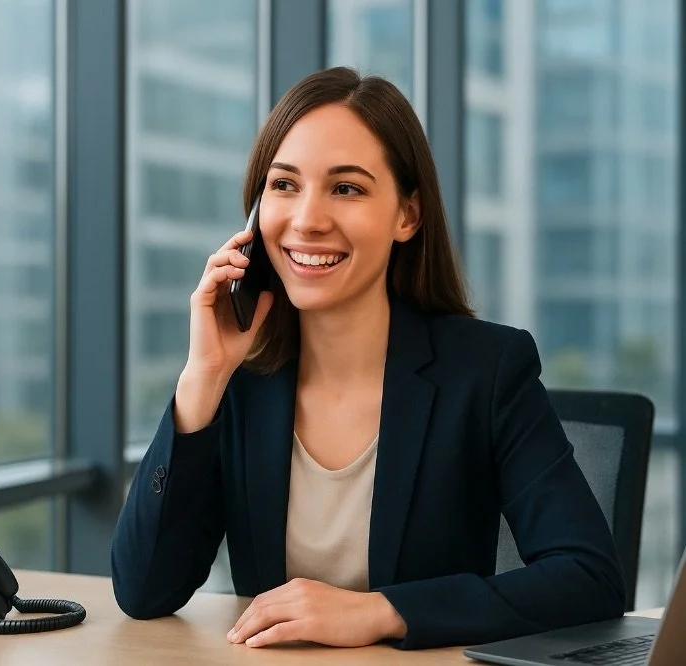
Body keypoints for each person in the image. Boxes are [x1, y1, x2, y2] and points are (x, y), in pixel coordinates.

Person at [110, 66, 626, 651]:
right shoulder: (240, 377)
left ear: (407, 215)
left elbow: (589, 578)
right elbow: (144, 590)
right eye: (284, 185)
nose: (307, 219)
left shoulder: (486, 369)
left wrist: (385, 612)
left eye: (346, 188)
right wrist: (201, 377)